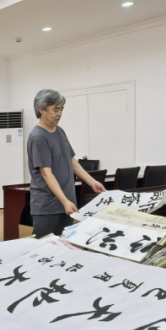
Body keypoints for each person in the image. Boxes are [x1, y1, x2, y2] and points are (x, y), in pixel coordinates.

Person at [27, 89, 105, 238]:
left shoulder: (59, 131)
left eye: (61, 109)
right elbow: (46, 174)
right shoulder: (38, 137)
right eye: (55, 109)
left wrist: (92, 182)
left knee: (64, 245)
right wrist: (64, 201)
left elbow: (71, 161)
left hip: (67, 203)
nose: (60, 114)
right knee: (44, 247)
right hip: (48, 206)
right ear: (41, 109)